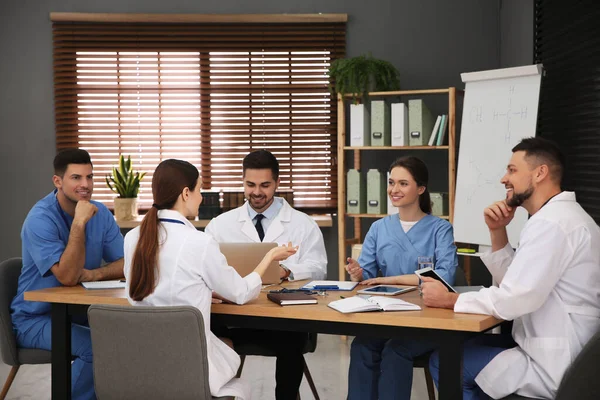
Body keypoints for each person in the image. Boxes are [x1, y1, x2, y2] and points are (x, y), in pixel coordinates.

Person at [423, 137, 600, 400]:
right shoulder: (558, 218)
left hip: (555, 360)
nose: (504, 178)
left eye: (512, 170)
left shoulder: (552, 224)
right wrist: (498, 231)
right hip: (552, 347)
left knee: (447, 361)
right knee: (460, 350)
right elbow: (516, 284)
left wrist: (451, 300)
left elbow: (515, 298)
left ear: (540, 173)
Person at [123, 159, 297, 399]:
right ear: (186, 193)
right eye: (200, 190)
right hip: (187, 366)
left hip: (141, 364)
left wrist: (203, 290)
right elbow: (241, 293)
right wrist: (269, 257)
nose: (202, 198)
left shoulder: (132, 238)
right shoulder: (199, 242)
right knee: (227, 350)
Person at [205, 149, 327, 399]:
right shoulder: (220, 225)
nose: (257, 192)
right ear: (242, 181)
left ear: (277, 183)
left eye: (264, 185)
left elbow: (319, 267)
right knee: (209, 330)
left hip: (283, 320)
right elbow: (205, 267)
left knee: (291, 337)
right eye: (250, 184)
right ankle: (220, 394)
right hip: (234, 317)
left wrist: (286, 270)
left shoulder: (303, 224)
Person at [11, 149, 125, 400]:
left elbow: (127, 262)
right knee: (98, 347)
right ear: (58, 181)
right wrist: (79, 223)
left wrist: (95, 275)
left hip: (80, 313)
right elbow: (68, 276)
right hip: (34, 319)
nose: (85, 185)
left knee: (127, 336)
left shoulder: (100, 213)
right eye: (76, 178)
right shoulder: (40, 219)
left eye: (89, 177)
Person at [345, 156, 458, 400]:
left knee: (396, 350)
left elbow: (443, 277)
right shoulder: (378, 228)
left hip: (428, 317)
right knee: (362, 346)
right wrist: (358, 272)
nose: (394, 190)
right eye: (391, 182)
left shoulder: (440, 229)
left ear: (420, 188)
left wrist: (392, 280)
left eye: (403, 184)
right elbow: (369, 276)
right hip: (388, 315)